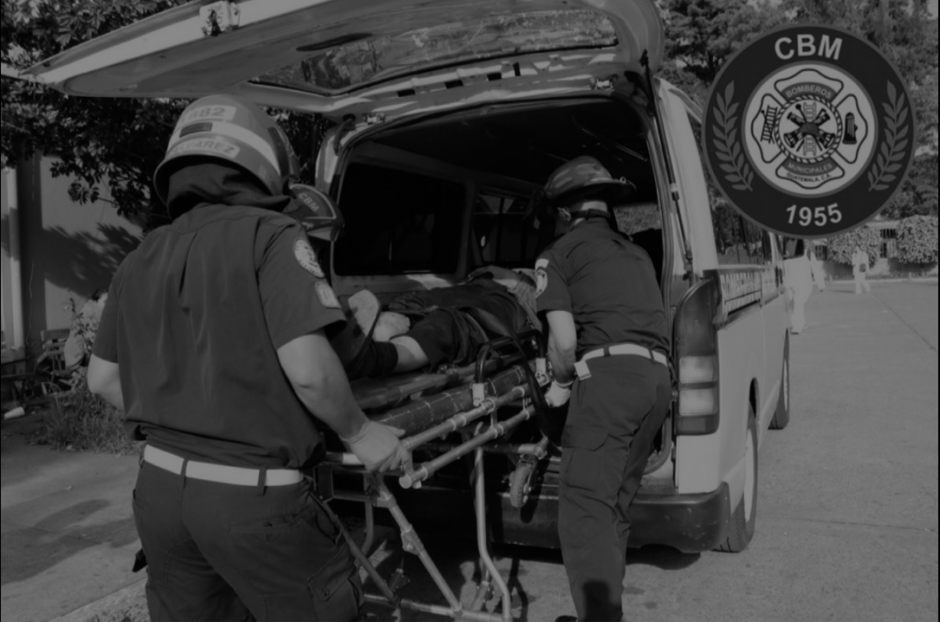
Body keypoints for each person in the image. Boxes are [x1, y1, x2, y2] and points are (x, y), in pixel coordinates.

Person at [86, 95, 406, 622]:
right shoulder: (271, 235)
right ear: (265, 165)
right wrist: (360, 431)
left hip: (160, 494)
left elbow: (102, 378)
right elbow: (307, 366)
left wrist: (180, 415)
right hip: (252, 499)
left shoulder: (140, 256)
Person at [534, 156, 671, 622]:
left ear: (565, 212)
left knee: (584, 514)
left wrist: (558, 384)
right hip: (656, 384)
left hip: (608, 387)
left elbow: (565, 342)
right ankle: (605, 609)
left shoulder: (558, 254)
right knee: (613, 507)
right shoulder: (636, 253)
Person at [784, 239, 813, 334]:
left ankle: (797, 326)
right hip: (787, 265)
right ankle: (798, 323)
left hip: (798, 266)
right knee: (790, 300)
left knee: (798, 299)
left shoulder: (803, 256)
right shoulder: (784, 237)